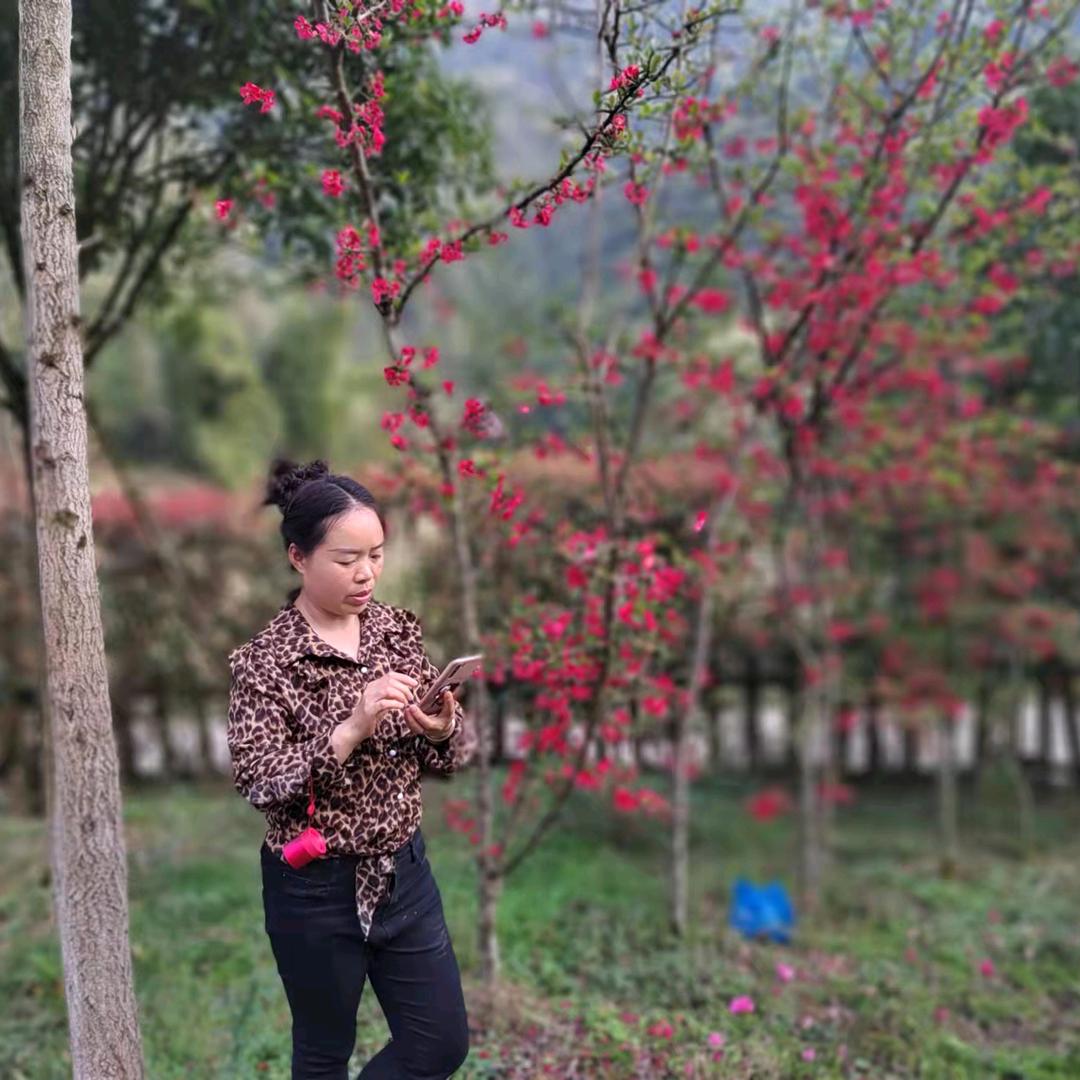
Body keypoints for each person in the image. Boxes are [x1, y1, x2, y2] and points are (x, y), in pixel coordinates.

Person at [226, 457, 478, 1079]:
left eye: (377, 555)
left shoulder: (396, 633)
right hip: (314, 888)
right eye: (346, 559)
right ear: (298, 557)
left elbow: (449, 757)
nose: (366, 574)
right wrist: (349, 730)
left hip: (403, 873)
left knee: (439, 1044)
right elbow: (259, 780)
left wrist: (442, 728)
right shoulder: (265, 663)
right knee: (322, 1053)